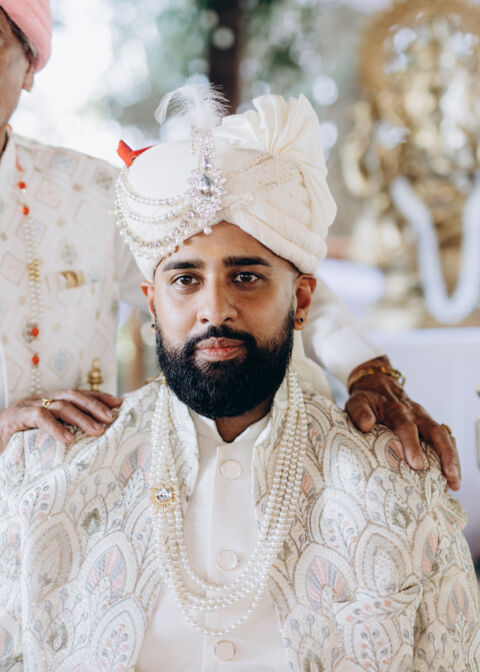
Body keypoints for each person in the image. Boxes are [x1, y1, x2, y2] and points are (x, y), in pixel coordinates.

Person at [0, 88, 478, 672]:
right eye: (185, 280)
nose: (215, 309)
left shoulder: (392, 483)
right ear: (151, 301)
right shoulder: (53, 482)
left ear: (300, 301)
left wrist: (370, 369)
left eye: (246, 278)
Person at [0, 1, 461, 494]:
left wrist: (366, 371)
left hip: (71, 495)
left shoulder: (89, 190)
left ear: (30, 65)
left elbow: (268, 283)